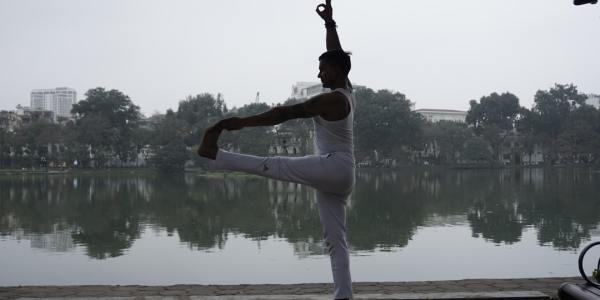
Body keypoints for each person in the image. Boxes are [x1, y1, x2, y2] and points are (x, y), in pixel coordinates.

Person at [198, 1, 354, 299]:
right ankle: (343, 295)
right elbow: (338, 56)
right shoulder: (346, 89)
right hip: (340, 172)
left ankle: (214, 153)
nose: (319, 75)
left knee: (274, 165)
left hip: (333, 166)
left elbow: (283, 114)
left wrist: (239, 123)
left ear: (334, 71)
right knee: (336, 240)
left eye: (322, 70)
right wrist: (329, 24)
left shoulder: (331, 100)